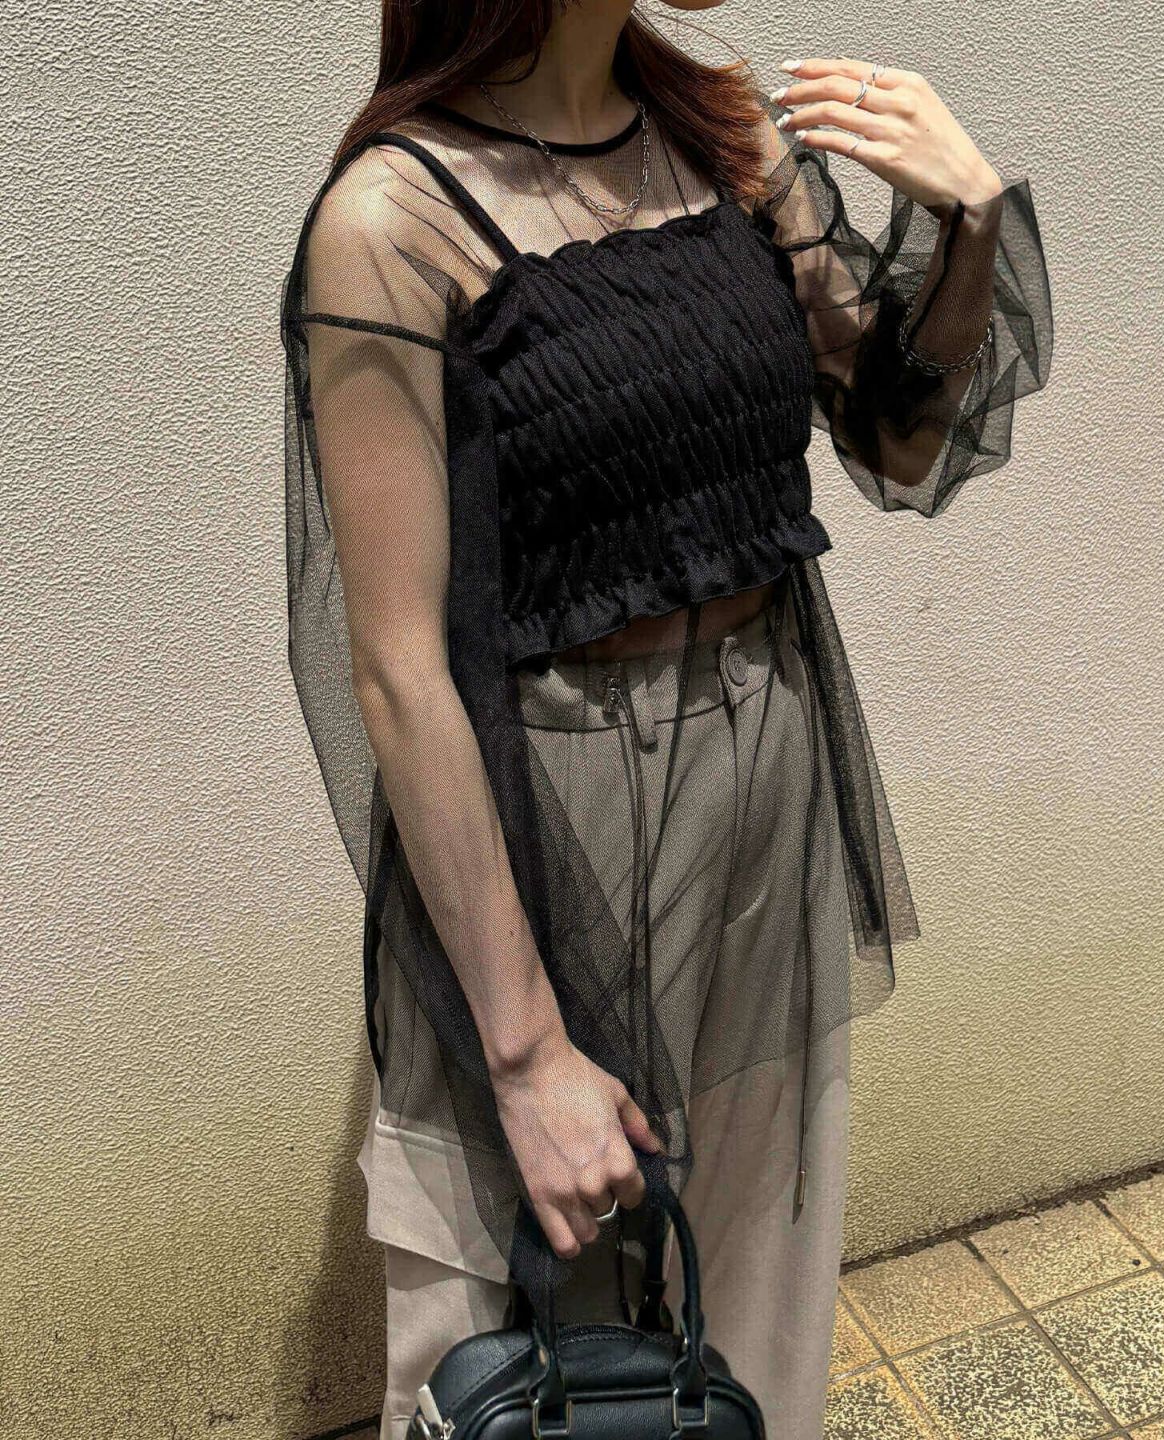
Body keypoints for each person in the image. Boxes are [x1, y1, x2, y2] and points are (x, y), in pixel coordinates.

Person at [278, 1, 1052, 1434]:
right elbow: (396, 665)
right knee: (512, 1315)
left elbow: (898, 437)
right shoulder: (392, 221)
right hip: (544, 806)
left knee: (751, 1280)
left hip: (767, 764)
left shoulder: (730, 135)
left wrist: (971, 227)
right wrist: (525, 1054)